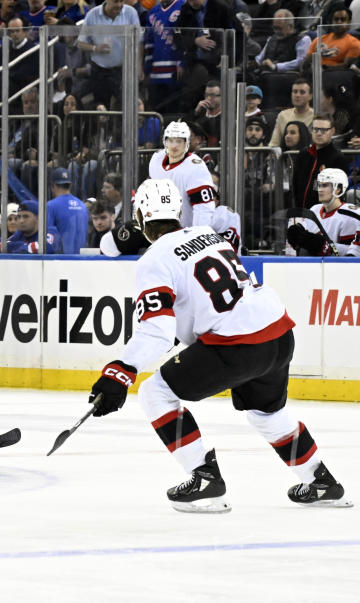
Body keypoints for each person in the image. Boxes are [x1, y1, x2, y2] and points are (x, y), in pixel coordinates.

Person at [88, 178, 351, 512]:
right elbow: (200, 304)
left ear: (140, 216)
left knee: (156, 392)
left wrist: (119, 374)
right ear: (178, 211)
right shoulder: (209, 235)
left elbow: (157, 327)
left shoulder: (153, 259)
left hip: (236, 344)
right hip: (278, 333)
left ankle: (205, 478)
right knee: (267, 414)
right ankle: (322, 481)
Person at [148, 121, 217, 228]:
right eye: (171, 140)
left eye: (179, 141)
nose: (174, 146)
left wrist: (198, 235)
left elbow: (204, 209)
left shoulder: (196, 167)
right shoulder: (156, 159)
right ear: (164, 141)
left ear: (186, 143)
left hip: (185, 234)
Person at [287, 168, 360, 256]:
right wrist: (297, 238)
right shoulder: (315, 209)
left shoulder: (351, 215)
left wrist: (324, 246)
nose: (320, 190)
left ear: (338, 189)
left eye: (324, 185)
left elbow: (353, 254)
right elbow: (306, 242)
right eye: (319, 185)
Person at [291, 115, 349, 209]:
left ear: (332, 131)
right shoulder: (303, 154)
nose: (318, 133)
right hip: (302, 212)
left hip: (325, 215)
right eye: (315, 129)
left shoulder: (337, 158)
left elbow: (339, 192)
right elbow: (295, 185)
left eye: (323, 130)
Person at [46, 168, 88, 254]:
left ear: (53, 185)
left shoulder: (51, 205)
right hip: (81, 258)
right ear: (70, 185)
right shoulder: (82, 205)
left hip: (61, 259)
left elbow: (48, 236)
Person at [267, 78, 314, 147]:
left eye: (302, 92)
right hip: (286, 156)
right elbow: (274, 144)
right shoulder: (282, 115)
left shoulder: (316, 116)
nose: (297, 95)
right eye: (295, 92)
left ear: (310, 96)